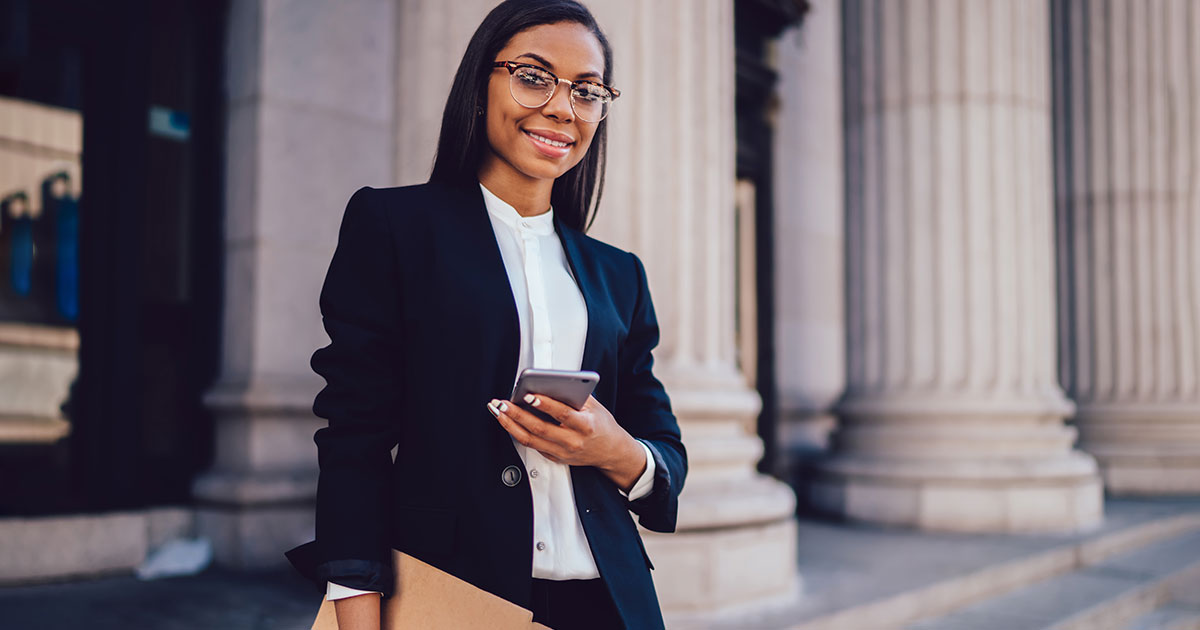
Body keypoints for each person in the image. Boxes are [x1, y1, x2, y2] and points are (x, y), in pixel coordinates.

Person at [285, 1, 686, 628]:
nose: (561, 107)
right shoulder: (395, 227)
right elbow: (354, 436)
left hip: (607, 600)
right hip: (454, 592)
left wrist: (616, 453)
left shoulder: (619, 274)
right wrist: (354, 605)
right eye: (533, 75)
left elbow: (664, 449)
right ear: (480, 85)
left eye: (587, 91)